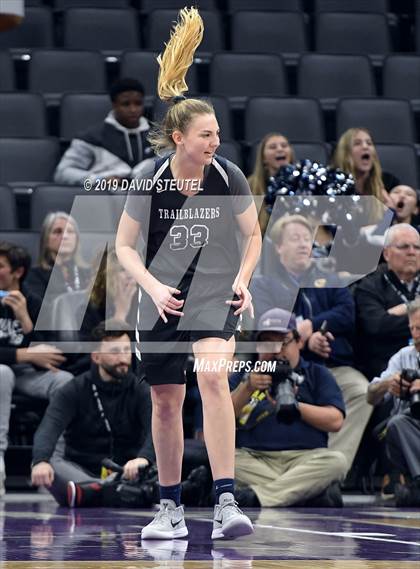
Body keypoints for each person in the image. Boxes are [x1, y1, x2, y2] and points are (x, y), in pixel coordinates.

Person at [116, 8, 261, 540]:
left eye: (218, 133)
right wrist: (153, 287)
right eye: (205, 134)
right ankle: (170, 509)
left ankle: (226, 501)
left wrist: (244, 277)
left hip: (215, 290)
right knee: (165, 400)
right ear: (179, 138)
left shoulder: (229, 176)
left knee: (213, 376)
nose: (215, 141)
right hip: (159, 295)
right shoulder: (149, 181)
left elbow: (253, 237)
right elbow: (124, 248)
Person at [251, 215, 372, 474]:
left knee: (363, 391)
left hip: (331, 366)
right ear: (278, 247)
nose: (304, 244)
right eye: (295, 239)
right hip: (285, 366)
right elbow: (267, 323)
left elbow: (346, 312)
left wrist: (314, 327)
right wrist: (304, 340)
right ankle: (311, 473)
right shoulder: (263, 282)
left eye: (308, 238)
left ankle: (331, 464)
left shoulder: (327, 274)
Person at [30, 320, 155, 507]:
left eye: (126, 350)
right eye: (114, 352)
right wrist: (40, 461)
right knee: (49, 464)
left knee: (165, 457)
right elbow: (49, 427)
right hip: (82, 471)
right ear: (96, 357)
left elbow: (156, 431)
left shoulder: (141, 390)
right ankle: (114, 491)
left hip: (129, 470)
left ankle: (97, 493)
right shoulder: (74, 389)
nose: (123, 358)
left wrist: (143, 459)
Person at [230, 308, 347, 507]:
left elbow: (335, 421)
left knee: (337, 461)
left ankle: (258, 497)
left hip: (305, 459)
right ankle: (307, 492)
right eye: (268, 342)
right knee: (226, 460)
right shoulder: (245, 375)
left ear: (299, 342)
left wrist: (296, 407)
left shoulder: (317, 373)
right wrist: (247, 387)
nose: (276, 349)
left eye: (283, 341)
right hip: (255, 458)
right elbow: (220, 418)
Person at [0, 242, 72, 497]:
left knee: (65, 381)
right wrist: (24, 354)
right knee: (3, 374)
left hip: (28, 375)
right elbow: (35, 354)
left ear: (18, 272)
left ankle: (52, 464)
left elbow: (52, 350)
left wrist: (26, 321)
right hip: (5, 372)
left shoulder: (32, 301)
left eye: (1, 267)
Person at [367, 298, 420, 506]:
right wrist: (389, 383)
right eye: (412, 328)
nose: (415, 334)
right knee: (397, 423)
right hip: (410, 429)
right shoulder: (403, 356)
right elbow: (371, 396)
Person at [54, 78, 153, 186]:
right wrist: (99, 180)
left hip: (149, 199)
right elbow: (62, 174)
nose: (133, 109)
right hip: (102, 198)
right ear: (114, 105)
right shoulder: (90, 138)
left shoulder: (160, 139)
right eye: (126, 104)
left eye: (138, 103)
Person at [354, 223, 420, 381]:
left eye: (417, 247)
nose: (411, 252)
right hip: (387, 367)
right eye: (404, 247)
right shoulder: (369, 286)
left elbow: (386, 322)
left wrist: (396, 313)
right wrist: (413, 310)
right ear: (386, 254)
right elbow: (377, 326)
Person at [331, 127, 399, 224]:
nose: (365, 147)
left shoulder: (388, 182)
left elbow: (379, 233)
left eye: (369, 143)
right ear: (345, 153)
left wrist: (389, 210)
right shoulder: (334, 186)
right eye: (357, 143)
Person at [25, 212, 90, 301]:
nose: (64, 236)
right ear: (46, 240)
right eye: (57, 231)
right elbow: (40, 311)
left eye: (70, 231)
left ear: (77, 240)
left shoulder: (91, 273)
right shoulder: (35, 275)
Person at [247, 133, 295, 235]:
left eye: (284, 146)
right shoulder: (250, 185)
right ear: (263, 158)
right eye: (273, 147)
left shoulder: (301, 182)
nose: (280, 149)